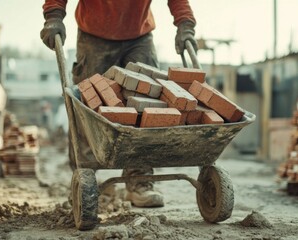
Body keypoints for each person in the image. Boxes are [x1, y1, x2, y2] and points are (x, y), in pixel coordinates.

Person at [40, 0, 198, 208]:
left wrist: (185, 24)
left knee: (150, 105)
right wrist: (53, 16)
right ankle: (86, 178)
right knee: (88, 104)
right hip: (93, 36)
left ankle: (139, 179)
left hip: (139, 37)